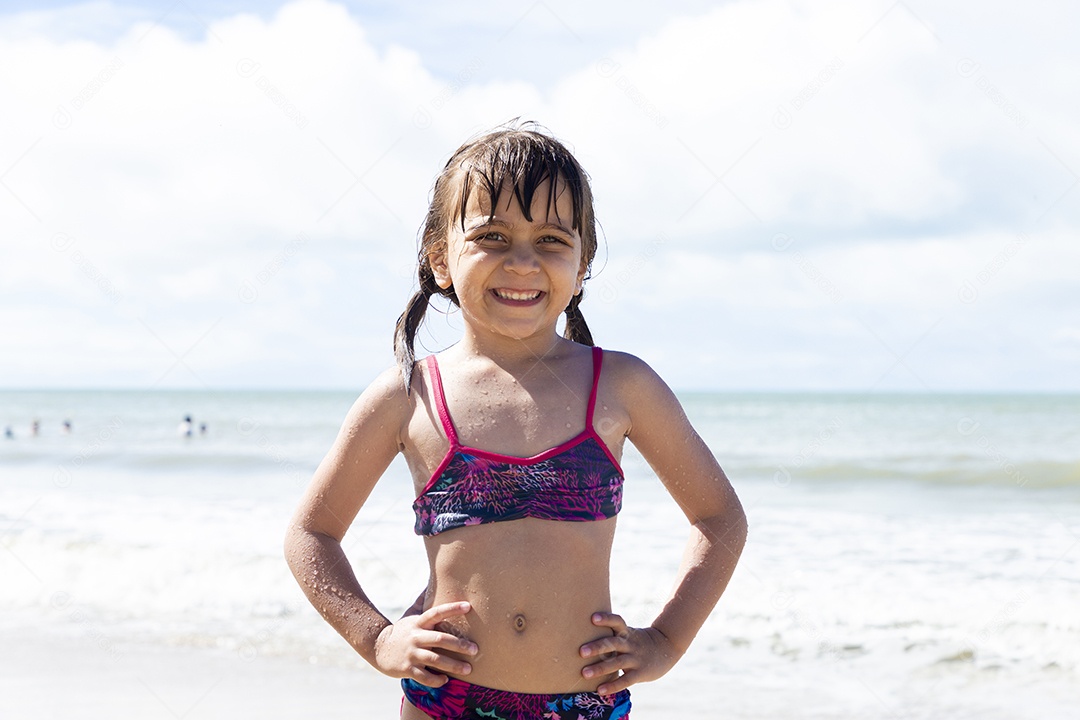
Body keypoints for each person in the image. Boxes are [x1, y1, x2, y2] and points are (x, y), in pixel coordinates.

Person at [285, 123, 747, 720]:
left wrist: (666, 641)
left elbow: (719, 517)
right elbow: (311, 534)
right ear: (440, 259)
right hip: (445, 700)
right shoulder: (409, 396)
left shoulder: (622, 386)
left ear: (582, 266)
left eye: (552, 239)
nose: (523, 262)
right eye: (493, 236)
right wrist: (376, 638)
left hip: (584, 699)